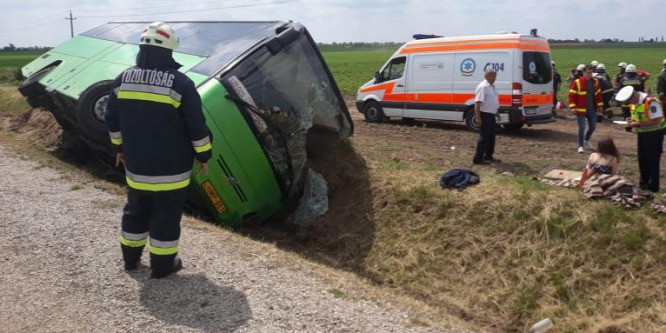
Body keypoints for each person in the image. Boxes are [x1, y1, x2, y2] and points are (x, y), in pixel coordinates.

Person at [105, 22, 213, 278]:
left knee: (135, 210)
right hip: (172, 169)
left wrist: (119, 149)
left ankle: (130, 261)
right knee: (166, 216)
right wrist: (204, 155)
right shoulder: (181, 83)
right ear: (170, 50)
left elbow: (112, 120)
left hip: (137, 166)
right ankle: (163, 267)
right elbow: (196, 127)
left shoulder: (123, 79)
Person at [615, 86, 666, 192]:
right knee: (642, 160)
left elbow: (656, 120)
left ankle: (653, 188)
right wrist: (630, 120)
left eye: (629, 102)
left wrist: (638, 124)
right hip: (642, 134)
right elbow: (638, 117)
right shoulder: (634, 104)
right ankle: (643, 184)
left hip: (654, 134)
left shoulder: (651, 102)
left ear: (634, 96)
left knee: (652, 160)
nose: (630, 104)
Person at [568, 65, 603, 153]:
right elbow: (571, 95)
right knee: (581, 128)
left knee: (593, 127)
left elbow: (598, 95)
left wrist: (600, 106)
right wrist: (572, 107)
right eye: (588, 72)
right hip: (580, 110)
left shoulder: (595, 82)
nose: (589, 74)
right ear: (583, 72)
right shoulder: (577, 82)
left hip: (592, 109)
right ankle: (580, 146)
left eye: (591, 73)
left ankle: (586, 140)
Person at [472, 69, 500, 165]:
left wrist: (496, 112)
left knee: (491, 137)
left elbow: (491, 101)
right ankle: (478, 158)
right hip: (485, 115)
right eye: (493, 76)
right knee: (484, 137)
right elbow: (478, 103)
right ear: (487, 76)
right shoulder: (483, 87)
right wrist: (478, 117)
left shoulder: (492, 87)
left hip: (491, 115)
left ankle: (488, 156)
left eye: (495, 76)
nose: (494, 78)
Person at [619, 64, 645, 132]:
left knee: (627, 115)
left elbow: (620, 90)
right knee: (638, 114)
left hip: (626, 102)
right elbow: (642, 90)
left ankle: (628, 127)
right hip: (637, 101)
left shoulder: (623, 79)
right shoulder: (639, 79)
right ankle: (638, 126)